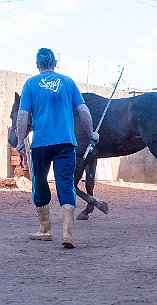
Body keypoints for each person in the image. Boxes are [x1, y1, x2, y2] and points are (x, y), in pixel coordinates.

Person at [16, 48, 99, 249]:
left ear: (37, 65)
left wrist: (20, 141)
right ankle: (67, 233)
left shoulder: (30, 85)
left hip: (41, 144)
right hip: (65, 143)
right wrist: (92, 134)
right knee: (65, 183)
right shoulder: (68, 83)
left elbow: (22, 116)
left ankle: (45, 230)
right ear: (55, 63)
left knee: (40, 183)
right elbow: (83, 111)